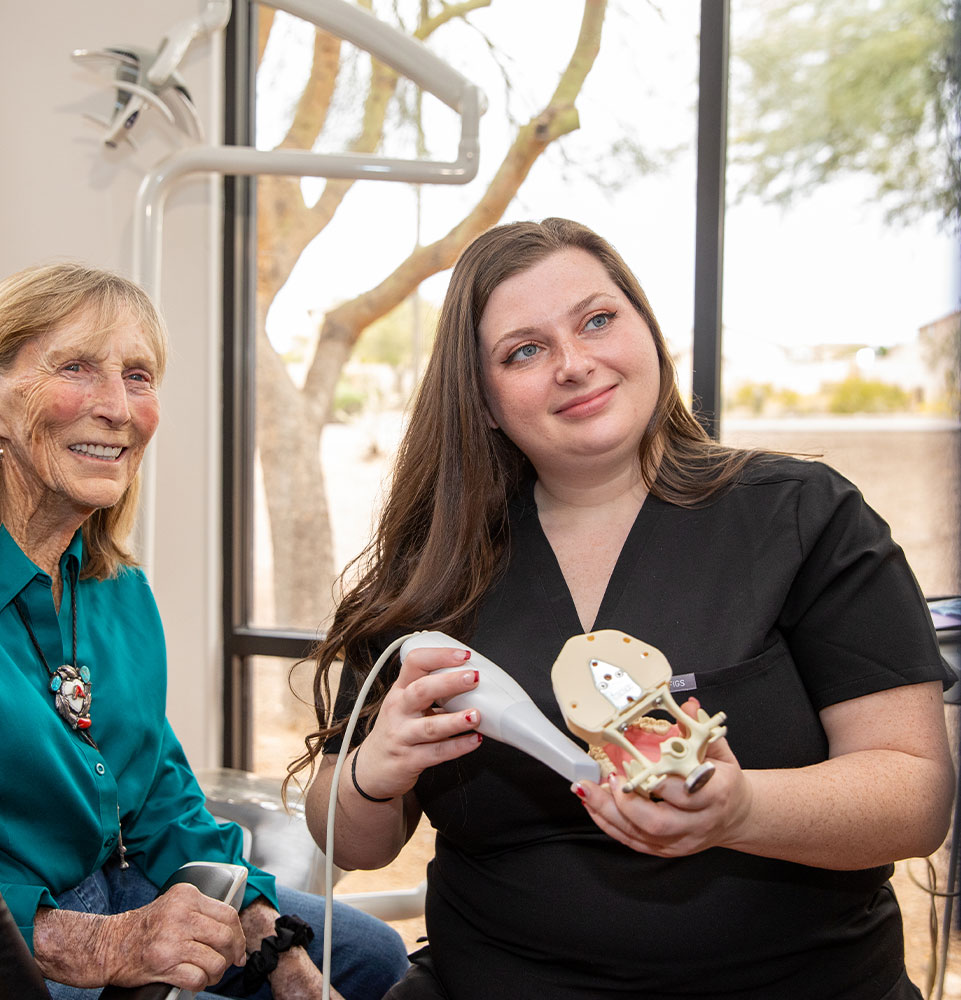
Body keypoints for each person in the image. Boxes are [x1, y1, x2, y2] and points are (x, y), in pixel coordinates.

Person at [294, 218, 956, 1000]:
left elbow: (914, 798)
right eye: (524, 350)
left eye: (598, 320)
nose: (575, 364)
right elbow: (353, 841)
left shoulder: (802, 517)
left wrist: (740, 811)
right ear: (482, 401)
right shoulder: (430, 576)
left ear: (646, 329)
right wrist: (375, 774)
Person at [0, 262, 410, 1000]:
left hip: (114, 883)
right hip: (27, 931)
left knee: (370, 957)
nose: (117, 408)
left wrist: (268, 933)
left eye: (138, 376)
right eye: (76, 367)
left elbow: (155, 785)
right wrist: (87, 942)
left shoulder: (117, 589)